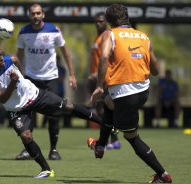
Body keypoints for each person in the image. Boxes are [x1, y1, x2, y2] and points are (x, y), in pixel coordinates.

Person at [0, 43, 102, 178]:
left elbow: (17, 62)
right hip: (17, 109)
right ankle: (46, 170)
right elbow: (1, 98)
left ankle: (105, 123)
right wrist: (13, 82)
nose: (2, 58)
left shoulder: (11, 60)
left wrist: (21, 79)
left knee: (69, 106)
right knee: (26, 136)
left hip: (35, 95)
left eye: (1, 54)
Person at [89, 4, 172, 183]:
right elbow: (156, 69)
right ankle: (101, 145)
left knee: (132, 138)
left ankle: (163, 175)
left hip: (125, 94)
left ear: (110, 21)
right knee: (109, 102)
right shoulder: (143, 36)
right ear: (127, 18)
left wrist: (98, 86)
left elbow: (103, 58)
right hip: (143, 91)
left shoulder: (110, 34)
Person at [16, 3, 77, 160]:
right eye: (32, 14)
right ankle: (28, 150)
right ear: (29, 16)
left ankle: (54, 150)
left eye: (38, 13)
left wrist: (72, 74)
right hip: (30, 78)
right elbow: (19, 56)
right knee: (28, 114)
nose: (35, 16)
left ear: (43, 14)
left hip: (50, 79)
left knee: (53, 114)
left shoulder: (54, 30)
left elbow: (66, 53)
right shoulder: (23, 32)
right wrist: (17, 75)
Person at [86, 11, 121, 150]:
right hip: (96, 78)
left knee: (105, 110)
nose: (98, 23)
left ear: (106, 22)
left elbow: (106, 59)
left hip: (103, 79)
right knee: (101, 110)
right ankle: (112, 140)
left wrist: (96, 74)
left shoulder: (106, 36)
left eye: (101, 21)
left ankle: (110, 141)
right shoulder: (97, 37)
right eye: (96, 21)